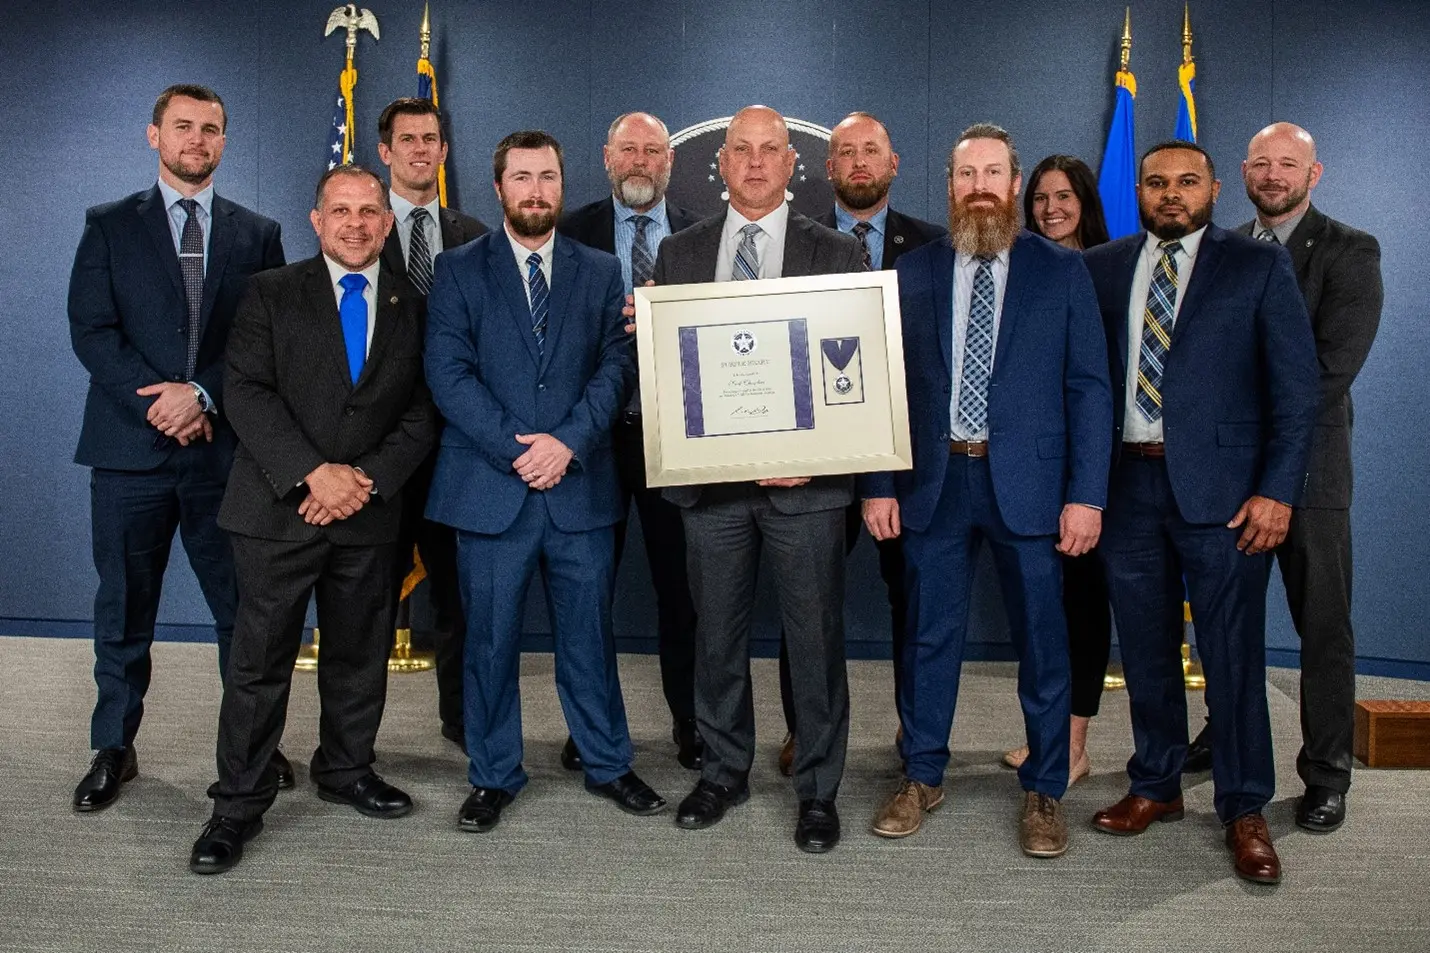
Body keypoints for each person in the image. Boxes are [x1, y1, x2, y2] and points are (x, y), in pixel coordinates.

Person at [862, 124, 1112, 859]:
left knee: (1044, 640)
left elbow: (1090, 389)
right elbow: (887, 387)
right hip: (935, 483)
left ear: (1013, 182)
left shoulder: (1062, 272)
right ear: (948, 186)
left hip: (1033, 488)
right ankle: (922, 772)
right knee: (930, 635)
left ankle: (1044, 787)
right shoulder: (915, 271)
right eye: (965, 172)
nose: (979, 186)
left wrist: (1087, 495)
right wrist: (878, 483)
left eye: (993, 172)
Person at [189, 164, 438, 874]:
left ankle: (346, 768)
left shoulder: (411, 302)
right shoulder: (270, 293)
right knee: (259, 665)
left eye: (369, 212)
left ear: (389, 223)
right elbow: (246, 391)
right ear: (316, 219)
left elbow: (422, 410)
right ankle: (237, 801)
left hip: (366, 512)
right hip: (276, 511)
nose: (356, 224)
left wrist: (367, 480)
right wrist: (312, 473)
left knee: (359, 656)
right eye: (341, 211)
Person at [1083, 140, 1319, 885]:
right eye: (1156, 183)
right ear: (1141, 192)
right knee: (1147, 650)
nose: (1171, 194)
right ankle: (1155, 783)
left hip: (1225, 498)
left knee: (1231, 657)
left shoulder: (1255, 265)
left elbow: (1297, 390)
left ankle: (1244, 805)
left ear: (1216, 188)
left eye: (1187, 181)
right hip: (1128, 491)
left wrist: (1277, 491)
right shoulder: (1103, 267)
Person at [425, 130, 663, 834]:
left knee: (589, 637)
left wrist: (567, 443)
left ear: (563, 184)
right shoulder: (458, 268)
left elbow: (616, 367)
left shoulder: (599, 270)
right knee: (490, 642)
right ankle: (493, 774)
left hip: (578, 486)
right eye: (522, 177)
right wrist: (518, 449)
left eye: (548, 176)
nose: (536, 190)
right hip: (491, 488)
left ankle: (607, 762)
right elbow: (448, 373)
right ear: (498, 187)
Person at [67, 84, 286, 812]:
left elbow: (267, 344)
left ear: (224, 141)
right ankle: (113, 747)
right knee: (124, 607)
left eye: (212, 129)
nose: (198, 139)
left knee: (241, 609)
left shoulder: (257, 233)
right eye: (184, 126)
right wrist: (165, 399)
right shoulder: (108, 226)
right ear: (153, 134)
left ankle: (253, 744)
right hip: (130, 450)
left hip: (226, 455)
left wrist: (202, 395)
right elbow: (93, 332)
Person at [652, 105, 865, 854]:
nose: (753, 161)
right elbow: (668, 377)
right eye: (739, 149)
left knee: (815, 639)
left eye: (769, 149)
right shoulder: (678, 253)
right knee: (717, 637)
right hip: (711, 486)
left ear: (790, 163)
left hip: (805, 485)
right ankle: (722, 770)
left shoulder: (837, 252)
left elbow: (854, 372)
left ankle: (817, 789)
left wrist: (820, 453)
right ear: (721, 163)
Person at [767, 111, 946, 776]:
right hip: (819, 451)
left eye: (872, 150)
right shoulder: (793, 246)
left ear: (894, 163)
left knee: (916, 599)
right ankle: (802, 729)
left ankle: (915, 729)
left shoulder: (933, 248)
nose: (860, 162)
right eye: (846, 152)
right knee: (807, 599)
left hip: (908, 457)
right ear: (828, 168)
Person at [1227, 122, 1381, 832]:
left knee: (1323, 627)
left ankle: (1327, 773)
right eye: (1262, 163)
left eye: (1288, 164)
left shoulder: (1350, 252)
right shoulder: (1223, 250)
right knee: (1228, 627)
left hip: (1311, 474)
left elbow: (1328, 371)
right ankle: (1223, 736)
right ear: (1245, 171)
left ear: (1314, 174)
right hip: (1226, 472)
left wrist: (1275, 470)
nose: (1274, 174)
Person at [558, 111, 704, 772]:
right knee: (588, 592)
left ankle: (693, 722)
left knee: (686, 592)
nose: (641, 161)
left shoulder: (704, 236)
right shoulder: (568, 234)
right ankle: (591, 722)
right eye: (629, 150)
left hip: (676, 439)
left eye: (653, 150)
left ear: (669, 163)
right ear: (607, 158)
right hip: (593, 441)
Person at [375, 97, 489, 752]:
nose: (421, 149)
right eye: (408, 139)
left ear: (444, 152)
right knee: (365, 602)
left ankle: (464, 721)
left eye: (432, 139)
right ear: (385, 151)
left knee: (460, 602)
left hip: (456, 451)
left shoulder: (474, 233)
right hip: (381, 454)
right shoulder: (358, 226)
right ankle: (353, 739)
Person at [1000, 154, 1112, 785]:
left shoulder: (1110, 267)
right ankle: (1045, 736)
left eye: (1064, 196)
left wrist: (1090, 482)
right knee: (1046, 609)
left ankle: (1073, 743)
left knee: (1083, 601)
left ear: (1085, 202)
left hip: (1091, 466)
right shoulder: (1019, 269)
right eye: (1040, 198)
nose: (1051, 209)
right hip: (1033, 470)